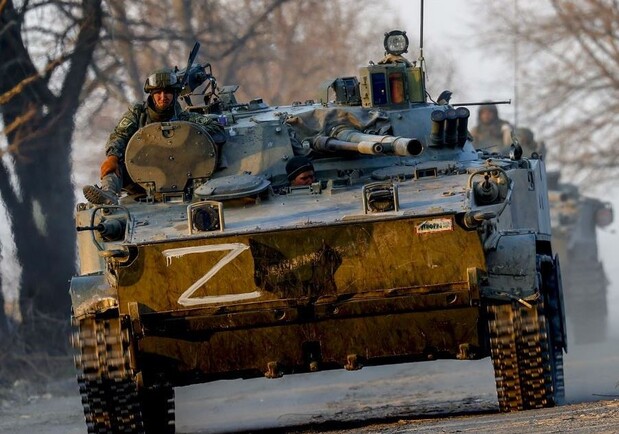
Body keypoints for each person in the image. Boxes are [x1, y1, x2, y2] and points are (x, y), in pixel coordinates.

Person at [83, 68, 225, 205]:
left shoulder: (185, 118)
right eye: (158, 93)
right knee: (114, 163)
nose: (163, 97)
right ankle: (108, 193)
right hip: (141, 180)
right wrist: (112, 156)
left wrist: (191, 133)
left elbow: (217, 128)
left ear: (175, 94)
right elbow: (119, 135)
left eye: (167, 92)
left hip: (183, 178)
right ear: (151, 94)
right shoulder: (138, 114)